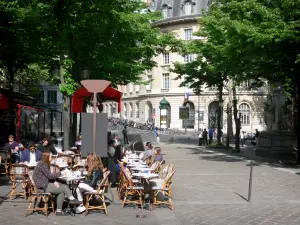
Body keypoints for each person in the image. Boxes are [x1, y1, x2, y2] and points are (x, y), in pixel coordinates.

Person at [33, 152, 80, 216]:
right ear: (47, 157)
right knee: (63, 186)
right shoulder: (43, 164)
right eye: (51, 156)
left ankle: (59, 211)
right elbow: (50, 176)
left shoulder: (42, 163)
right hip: (42, 187)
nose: (52, 158)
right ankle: (72, 199)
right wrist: (61, 173)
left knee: (61, 191)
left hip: (43, 184)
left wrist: (54, 182)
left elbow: (47, 176)